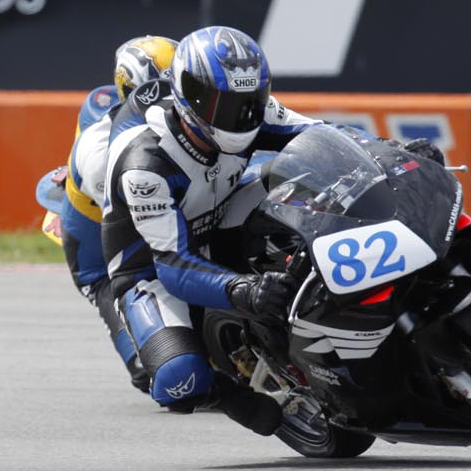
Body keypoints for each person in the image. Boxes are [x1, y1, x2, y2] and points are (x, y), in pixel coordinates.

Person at [101, 25, 320, 436]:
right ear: (190, 97)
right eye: (223, 105)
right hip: (152, 267)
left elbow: (319, 136)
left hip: (219, 213)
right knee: (178, 381)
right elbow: (172, 265)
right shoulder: (145, 167)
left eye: (248, 102)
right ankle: (222, 391)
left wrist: (385, 149)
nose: (240, 117)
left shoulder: (252, 112)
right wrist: (245, 290)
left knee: (303, 176)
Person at [58, 35, 179, 392]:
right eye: (164, 88)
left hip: (152, 201)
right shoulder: (102, 153)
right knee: (150, 372)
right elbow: (150, 226)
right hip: (102, 242)